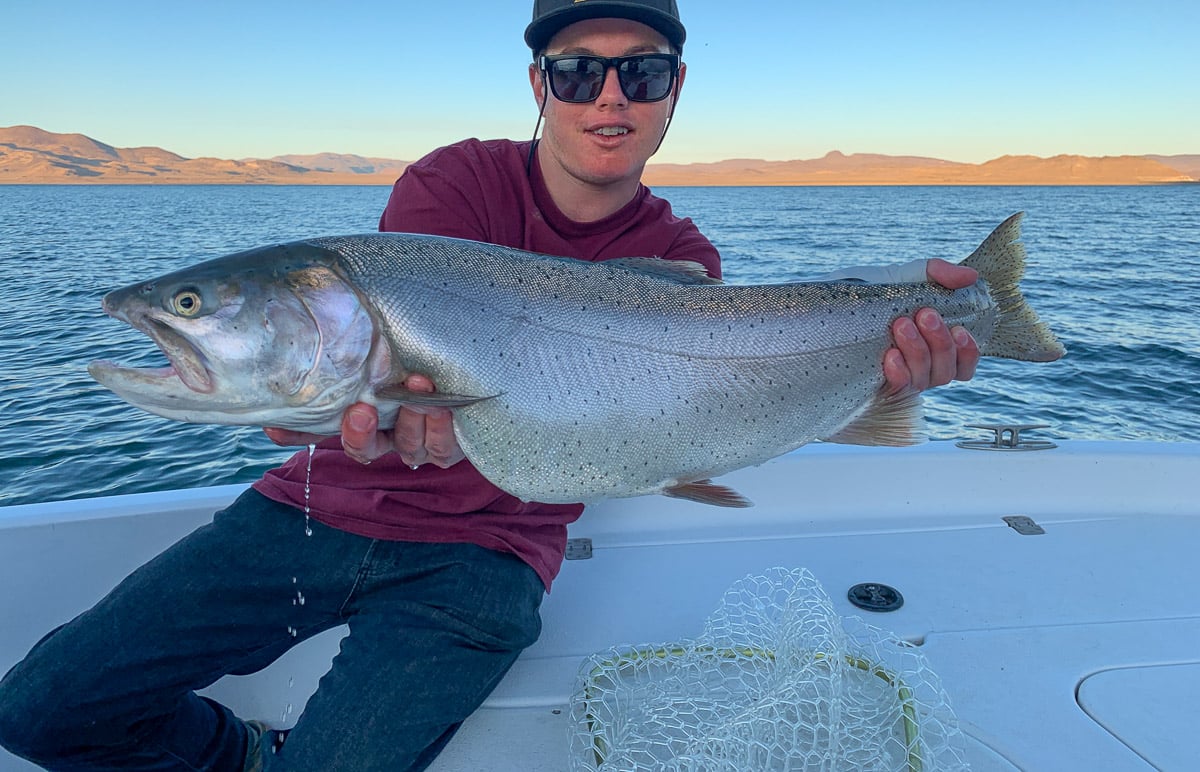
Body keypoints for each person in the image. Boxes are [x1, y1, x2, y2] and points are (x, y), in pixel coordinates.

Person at [0, 1, 980, 770]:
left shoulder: (684, 261)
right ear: (539, 86)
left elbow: (691, 424)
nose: (609, 96)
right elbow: (344, 393)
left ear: (674, 89)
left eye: (639, 72)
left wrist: (886, 373)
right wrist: (322, 410)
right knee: (36, 710)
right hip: (311, 511)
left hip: (486, 553)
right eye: (575, 71)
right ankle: (242, 754)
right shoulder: (452, 185)